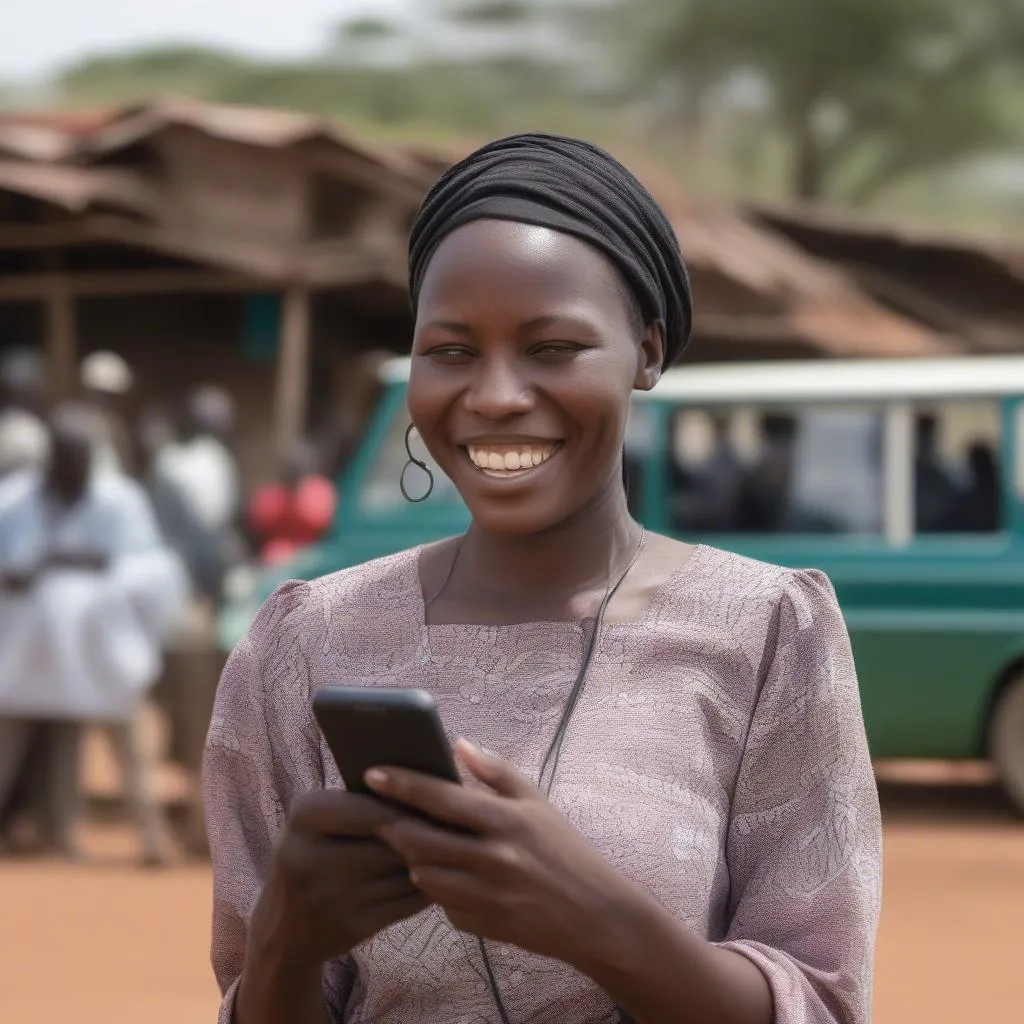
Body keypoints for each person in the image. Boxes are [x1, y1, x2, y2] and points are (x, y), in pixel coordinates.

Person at [204, 135, 882, 1024]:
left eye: (553, 347)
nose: (494, 395)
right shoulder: (304, 639)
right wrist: (289, 938)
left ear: (645, 353)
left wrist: (599, 921)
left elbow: (822, 1006)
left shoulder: (763, 633)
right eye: (450, 351)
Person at [0, 403, 187, 864]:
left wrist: (69, 563)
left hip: (99, 646)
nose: (71, 473)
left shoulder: (118, 499)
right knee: (22, 741)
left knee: (125, 738)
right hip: (30, 649)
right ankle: (60, 834)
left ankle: (152, 838)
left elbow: (149, 568)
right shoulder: (15, 499)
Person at [247, 441, 337, 566]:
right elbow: (256, 530)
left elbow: (327, 529)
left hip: (311, 555)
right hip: (274, 559)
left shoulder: (320, 493)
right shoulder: (269, 497)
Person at [80, 350, 137, 475]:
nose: (107, 400)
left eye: (112, 395)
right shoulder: (73, 423)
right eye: (101, 393)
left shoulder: (116, 424)